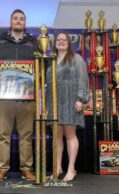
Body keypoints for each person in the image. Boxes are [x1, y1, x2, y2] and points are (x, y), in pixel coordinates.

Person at [0, 9, 38, 181]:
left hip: (27, 97)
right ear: (10, 22)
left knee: (26, 135)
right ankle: (1, 169)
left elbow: (42, 66)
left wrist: (38, 77)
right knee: (3, 134)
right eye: (15, 18)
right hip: (3, 98)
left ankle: (27, 169)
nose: (18, 21)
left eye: (21, 19)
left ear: (25, 23)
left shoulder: (33, 42)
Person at [46, 32, 90, 182]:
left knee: (70, 135)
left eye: (64, 40)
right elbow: (47, 84)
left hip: (71, 101)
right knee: (56, 137)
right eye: (59, 40)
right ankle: (57, 168)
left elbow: (83, 79)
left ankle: (71, 169)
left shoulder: (77, 59)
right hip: (54, 103)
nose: (61, 42)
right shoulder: (51, 60)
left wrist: (81, 99)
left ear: (69, 43)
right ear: (55, 43)